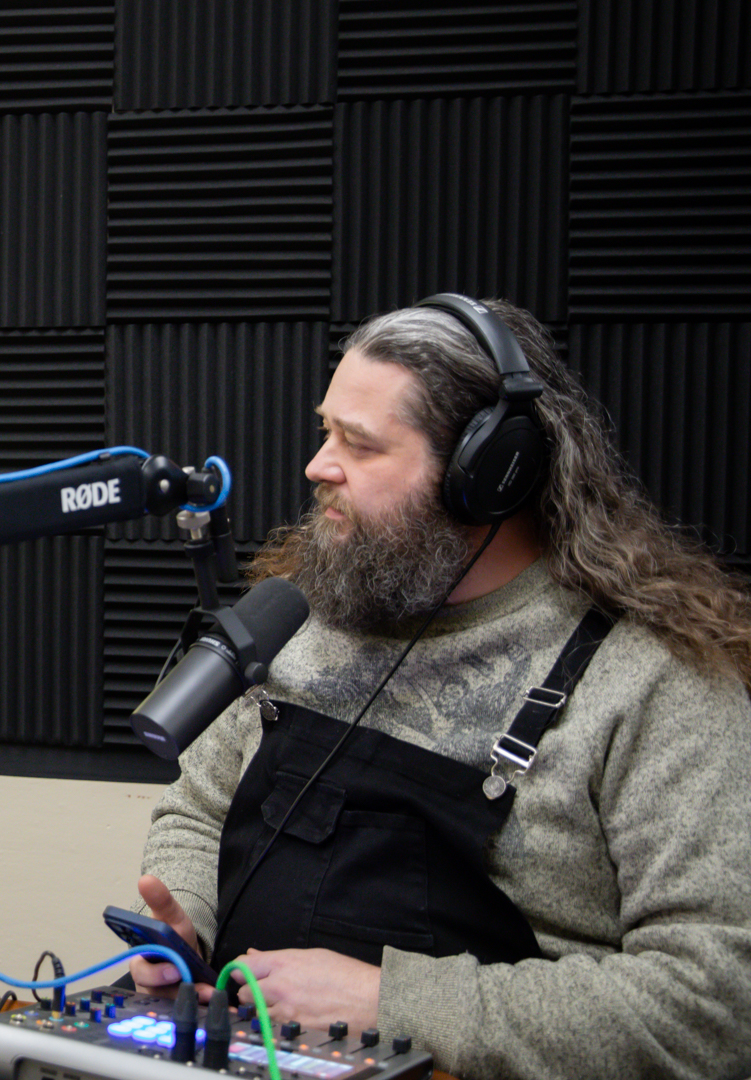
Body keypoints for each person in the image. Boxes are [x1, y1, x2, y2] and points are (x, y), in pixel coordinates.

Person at [130, 298, 751, 1080]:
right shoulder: (297, 616)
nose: (320, 465)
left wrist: (397, 1002)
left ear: (488, 474)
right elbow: (199, 807)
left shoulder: (657, 686)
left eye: (359, 443)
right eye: (327, 430)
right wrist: (184, 920)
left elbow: (720, 1001)